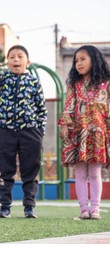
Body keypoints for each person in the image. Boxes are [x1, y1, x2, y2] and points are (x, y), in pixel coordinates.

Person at [0, 45, 47, 218]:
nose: (15, 60)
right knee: (5, 170)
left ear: (27, 62)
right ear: (7, 62)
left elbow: (42, 109)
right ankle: (5, 206)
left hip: (30, 131)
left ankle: (29, 206)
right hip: (5, 130)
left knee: (30, 169)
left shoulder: (34, 82)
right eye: (12, 57)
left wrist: (39, 131)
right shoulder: (3, 79)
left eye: (20, 57)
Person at [58, 45, 110, 220]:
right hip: (78, 133)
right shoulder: (75, 84)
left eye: (83, 59)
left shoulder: (106, 84)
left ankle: (95, 208)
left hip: (98, 134)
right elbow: (68, 106)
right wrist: (64, 125)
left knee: (95, 173)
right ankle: (83, 209)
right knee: (80, 173)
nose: (78, 63)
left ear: (94, 60)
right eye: (76, 61)